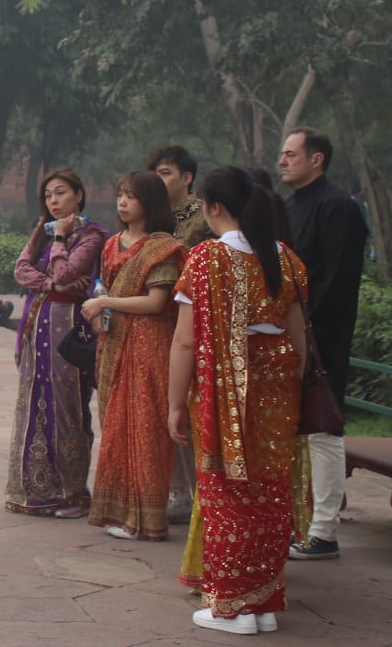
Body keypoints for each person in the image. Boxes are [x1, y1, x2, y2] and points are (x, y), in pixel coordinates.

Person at [168, 166, 308, 635]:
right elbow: (298, 340)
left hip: (224, 394)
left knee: (226, 492)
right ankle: (263, 604)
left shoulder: (206, 258)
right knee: (268, 495)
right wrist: (289, 392)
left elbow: (185, 343)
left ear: (214, 208)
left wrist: (172, 404)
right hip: (278, 392)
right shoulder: (285, 258)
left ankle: (230, 607)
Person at [279, 127, 368, 561]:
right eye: (282, 153)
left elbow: (337, 278)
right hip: (289, 332)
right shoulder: (293, 206)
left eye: (292, 154)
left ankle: (324, 529)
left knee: (324, 428)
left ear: (317, 160)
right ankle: (297, 520)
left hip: (322, 336)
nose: (283, 161)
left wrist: (307, 331)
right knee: (296, 430)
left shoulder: (337, 207)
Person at [81, 171, 183, 541]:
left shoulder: (162, 247)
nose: (122, 202)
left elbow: (157, 303)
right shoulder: (111, 245)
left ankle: (146, 518)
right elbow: (106, 289)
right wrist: (102, 311)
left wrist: (106, 302)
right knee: (116, 428)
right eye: (120, 195)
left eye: (132, 196)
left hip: (149, 344)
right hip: (114, 341)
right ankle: (120, 510)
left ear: (150, 203)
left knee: (145, 429)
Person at [6, 168, 106, 518]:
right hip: (39, 325)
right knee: (35, 401)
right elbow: (21, 269)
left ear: (79, 195)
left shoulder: (92, 236)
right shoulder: (41, 230)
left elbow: (67, 276)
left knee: (69, 406)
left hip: (69, 330)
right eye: (49, 195)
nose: (53, 201)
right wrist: (51, 285)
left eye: (61, 193)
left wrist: (61, 241)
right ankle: (38, 489)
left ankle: (73, 493)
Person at [147, 143, 209, 524]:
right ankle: (175, 489)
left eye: (166, 172)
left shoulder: (202, 219)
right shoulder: (152, 216)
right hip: (155, 327)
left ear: (187, 178)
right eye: (154, 172)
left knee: (188, 409)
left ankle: (200, 491)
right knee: (162, 406)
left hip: (188, 324)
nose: (158, 179)